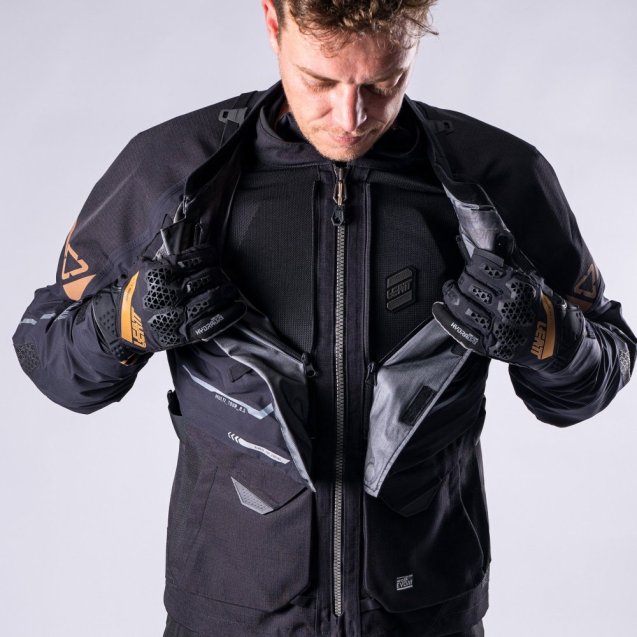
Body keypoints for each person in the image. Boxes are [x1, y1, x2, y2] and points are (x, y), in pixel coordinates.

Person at [12, 1, 635, 635]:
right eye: (320, 81)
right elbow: (46, 357)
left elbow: (600, 370)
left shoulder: (495, 176)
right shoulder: (173, 168)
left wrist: (548, 335)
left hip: (425, 614)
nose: (350, 117)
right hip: (231, 616)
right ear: (273, 24)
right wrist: (123, 322)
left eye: (382, 84)